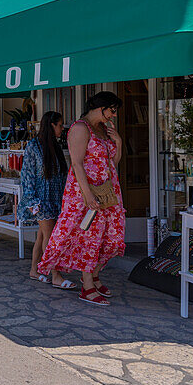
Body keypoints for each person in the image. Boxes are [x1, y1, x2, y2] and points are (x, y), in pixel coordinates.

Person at [38, 91, 126, 307]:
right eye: (111, 110)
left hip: (108, 191)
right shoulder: (80, 128)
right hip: (84, 193)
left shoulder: (105, 130)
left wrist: (119, 142)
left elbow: (113, 162)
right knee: (90, 238)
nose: (113, 115)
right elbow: (76, 164)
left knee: (112, 237)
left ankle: (94, 275)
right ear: (100, 107)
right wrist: (88, 195)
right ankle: (87, 286)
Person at [20, 111, 73, 289]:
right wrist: (32, 202)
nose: (62, 128)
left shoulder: (55, 147)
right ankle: (55, 274)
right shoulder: (33, 146)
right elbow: (26, 176)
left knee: (42, 237)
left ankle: (34, 270)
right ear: (51, 125)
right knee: (51, 239)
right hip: (41, 201)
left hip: (55, 199)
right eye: (59, 125)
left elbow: (60, 176)